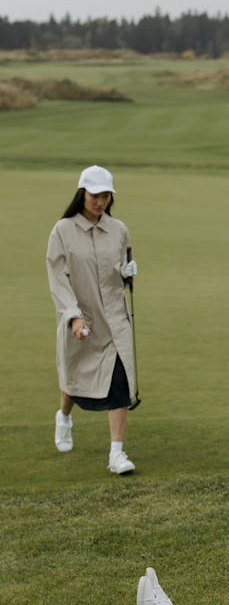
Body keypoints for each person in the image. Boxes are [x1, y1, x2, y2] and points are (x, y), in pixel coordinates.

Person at [46, 165, 139, 475]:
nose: (100, 202)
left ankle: (116, 454)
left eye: (106, 196)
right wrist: (72, 317)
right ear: (82, 193)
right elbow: (59, 278)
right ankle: (64, 417)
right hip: (82, 319)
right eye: (94, 195)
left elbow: (118, 269)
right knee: (74, 380)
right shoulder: (62, 230)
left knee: (119, 383)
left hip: (115, 318)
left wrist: (127, 274)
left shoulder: (119, 229)